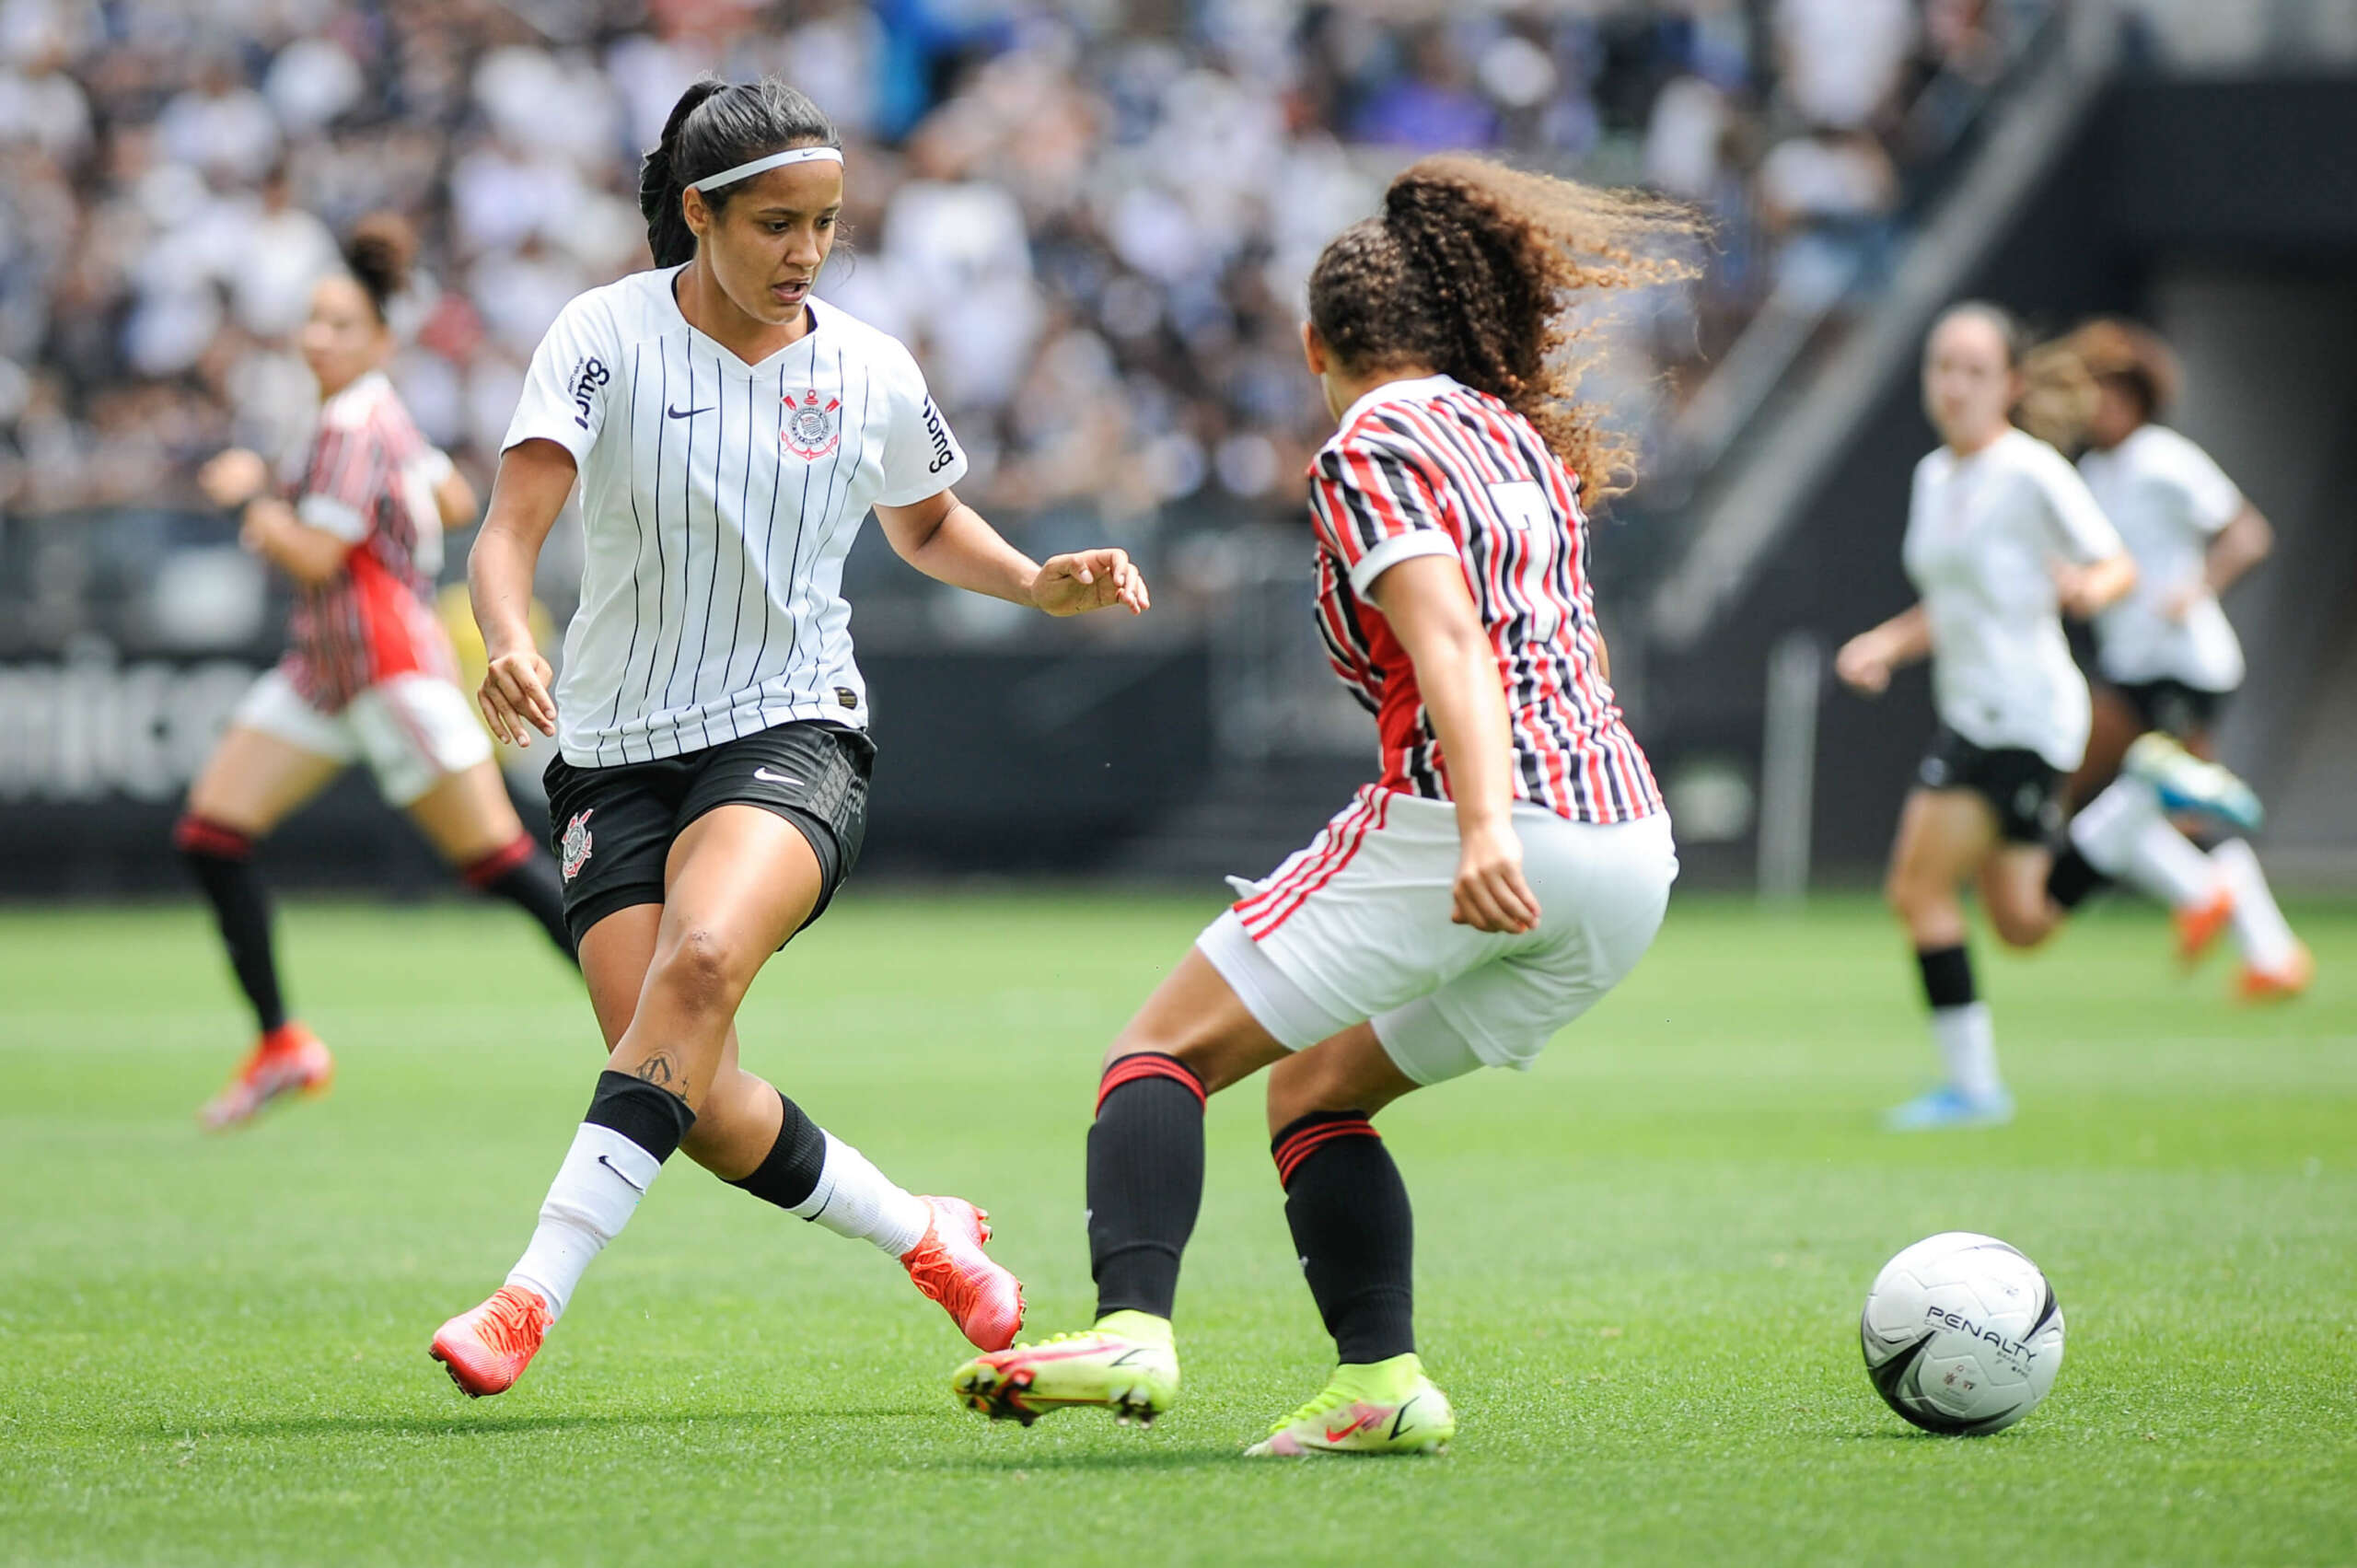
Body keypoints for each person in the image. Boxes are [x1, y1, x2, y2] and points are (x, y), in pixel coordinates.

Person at [949, 155, 1687, 1457]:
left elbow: (1449, 634)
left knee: (1157, 1053)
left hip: (1481, 818)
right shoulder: (1509, 431)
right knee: (1315, 1090)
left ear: (1316, 345)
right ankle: (1382, 1382)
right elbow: (1578, 649)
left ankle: (1129, 1324)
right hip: (1629, 847)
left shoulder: (1370, 439)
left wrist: (1485, 825)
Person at [427, 78, 1149, 1397]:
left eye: (825, 224)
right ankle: (923, 1230)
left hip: (794, 726)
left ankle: (530, 1293)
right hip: (610, 746)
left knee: (698, 960)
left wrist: (1041, 579)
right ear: (699, 215)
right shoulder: (601, 334)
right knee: (687, 1090)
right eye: (774, 225)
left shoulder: (867, 363)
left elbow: (926, 523)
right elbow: (509, 531)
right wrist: (512, 637)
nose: (804, 253)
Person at [180, 216, 575, 1132]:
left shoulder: (355, 421)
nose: (318, 336)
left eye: (340, 324)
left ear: (381, 340)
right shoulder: (373, 414)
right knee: (210, 831)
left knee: (503, 862)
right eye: (313, 319)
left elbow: (318, 554)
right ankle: (282, 1043)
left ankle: (648, 1011)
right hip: (326, 670)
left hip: (388, 670)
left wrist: (251, 497)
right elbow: (452, 495)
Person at [1833, 303, 2266, 1133]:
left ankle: (1972, 1091)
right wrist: (1885, 643)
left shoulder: (2029, 470)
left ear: (2010, 384)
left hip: (2017, 714)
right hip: (1986, 708)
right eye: (1941, 367)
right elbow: (1949, 603)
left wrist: (2087, 589)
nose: (1953, 385)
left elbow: (2116, 564)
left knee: (1915, 887)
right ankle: (2134, 807)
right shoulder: (1935, 477)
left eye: (1972, 369)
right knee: (2023, 923)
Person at [2056, 319, 2307, 999]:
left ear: (2136, 396)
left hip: (2182, 661)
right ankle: (2267, 949)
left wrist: (2195, 588)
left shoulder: (2165, 458)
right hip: (2132, 659)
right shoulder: (2091, 472)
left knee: (2130, 795)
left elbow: (2247, 532)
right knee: (2162, 808)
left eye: (2106, 392)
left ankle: (2217, 906)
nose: (2095, 407)